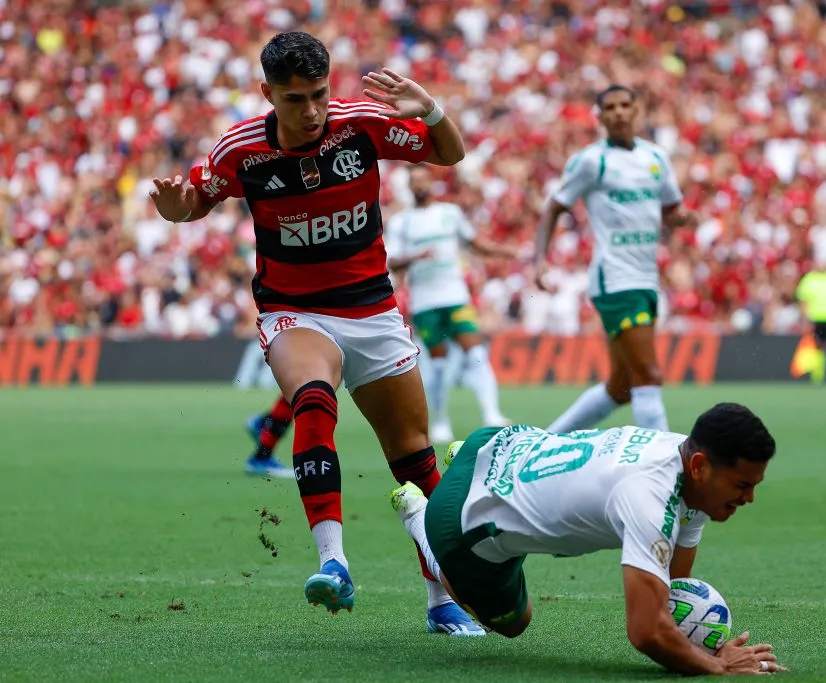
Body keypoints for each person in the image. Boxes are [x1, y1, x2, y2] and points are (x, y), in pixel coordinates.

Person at [148, 31, 482, 635]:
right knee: (313, 398)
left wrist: (430, 108)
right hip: (295, 311)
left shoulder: (360, 125)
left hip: (373, 310)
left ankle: (441, 604)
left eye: (319, 95)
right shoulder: (241, 149)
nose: (311, 112)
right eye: (295, 99)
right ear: (267, 94)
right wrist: (178, 210)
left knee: (414, 461)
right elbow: (195, 200)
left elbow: (449, 153)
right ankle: (334, 561)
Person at [389, 403, 786, 675]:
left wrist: (699, 644)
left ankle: (464, 459)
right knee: (513, 623)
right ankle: (419, 516)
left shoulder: (686, 457)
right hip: (463, 519)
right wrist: (719, 665)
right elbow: (646, 631)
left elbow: (671, 587)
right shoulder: (649, 498)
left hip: (501, 442)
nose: (748, 498)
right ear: (700, 467)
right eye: (741, 485)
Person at [534, 85, 693, 435]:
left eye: (625, 105)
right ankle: (668, 470)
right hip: (616, 279)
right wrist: (539, 260)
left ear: (637, 110)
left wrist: (681, 218)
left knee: (620, 388)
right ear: (600, 116)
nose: (619, 112)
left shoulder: (656, 158)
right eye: (611, 107)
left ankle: (540, 445)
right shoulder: (592, 161)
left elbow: (670, 209)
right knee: (649, 376)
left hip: (647, 278)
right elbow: (554, 207)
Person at [385, 165, 518, 443]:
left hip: (455, 295)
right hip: (424, 301)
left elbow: (474, 243)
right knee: (439, 363)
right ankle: (441, 420)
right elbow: (392, 260)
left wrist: (502, 251)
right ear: (410, 187)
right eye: (415, 182)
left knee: (474, 351)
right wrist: (414, 257)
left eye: (424, 180)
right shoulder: (402, 223)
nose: (420, 185)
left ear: (431, 183)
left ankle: (491, 413)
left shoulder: (450, 213)